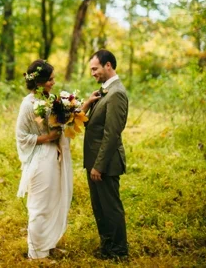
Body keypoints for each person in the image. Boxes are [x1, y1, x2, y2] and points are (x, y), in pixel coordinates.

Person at [15, 60, 72, 260]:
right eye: (49, 79)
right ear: (38, 82)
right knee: (39, 205)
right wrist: (47, 138)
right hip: (40, 159)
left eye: (53, 78)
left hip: (54, 157)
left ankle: (48, 245)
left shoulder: (51, 100)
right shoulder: (28, 104)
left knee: (52, 202)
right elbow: (21, 135)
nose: (53, 82)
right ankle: (36, 254)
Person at [79, 49, 130, 260]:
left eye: (95, 68)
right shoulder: (104, 91)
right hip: (95, 160)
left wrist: (98, 165)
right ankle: (107, 248)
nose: (92, 73)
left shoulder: (117, 93)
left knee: (110, 207)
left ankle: (119, 252)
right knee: (99, 207)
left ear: (108, 65)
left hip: (105, 163)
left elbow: (111, 134)